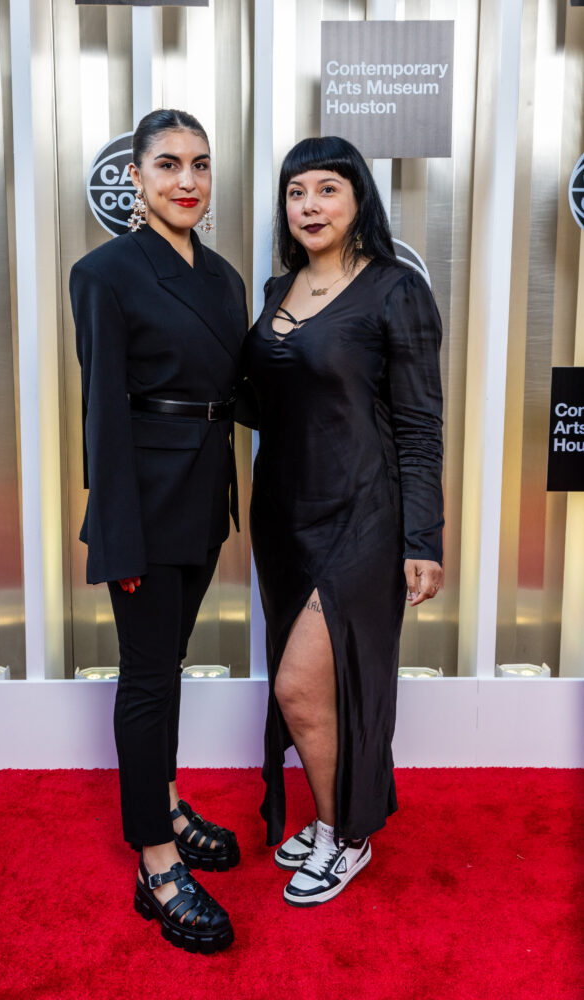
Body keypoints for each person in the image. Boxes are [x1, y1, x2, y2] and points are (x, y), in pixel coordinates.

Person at [241, 136, 444, 907]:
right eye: (296, 193)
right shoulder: (274, 288)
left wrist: (420, 536)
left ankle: (343, 835)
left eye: (327, 189)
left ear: (358, 199)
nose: (309, 206)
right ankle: (341, 812)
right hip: (282, 516)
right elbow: (261, 401)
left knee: (300, 686)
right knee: (313, 691)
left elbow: (419, 424)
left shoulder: (395, 289)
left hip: (364, 510)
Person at [70, 109, 248, 953]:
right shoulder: (104, 273)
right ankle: (155, 858)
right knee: (147, 679)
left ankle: (165, 797)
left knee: (167, 669)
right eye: (169, 164)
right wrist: (116, 537)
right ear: (134, 178)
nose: (188, 181)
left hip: (204, 496)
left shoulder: (224, 277)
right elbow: (101, 412)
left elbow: (243, 390)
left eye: (201, 165)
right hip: (141, 505)